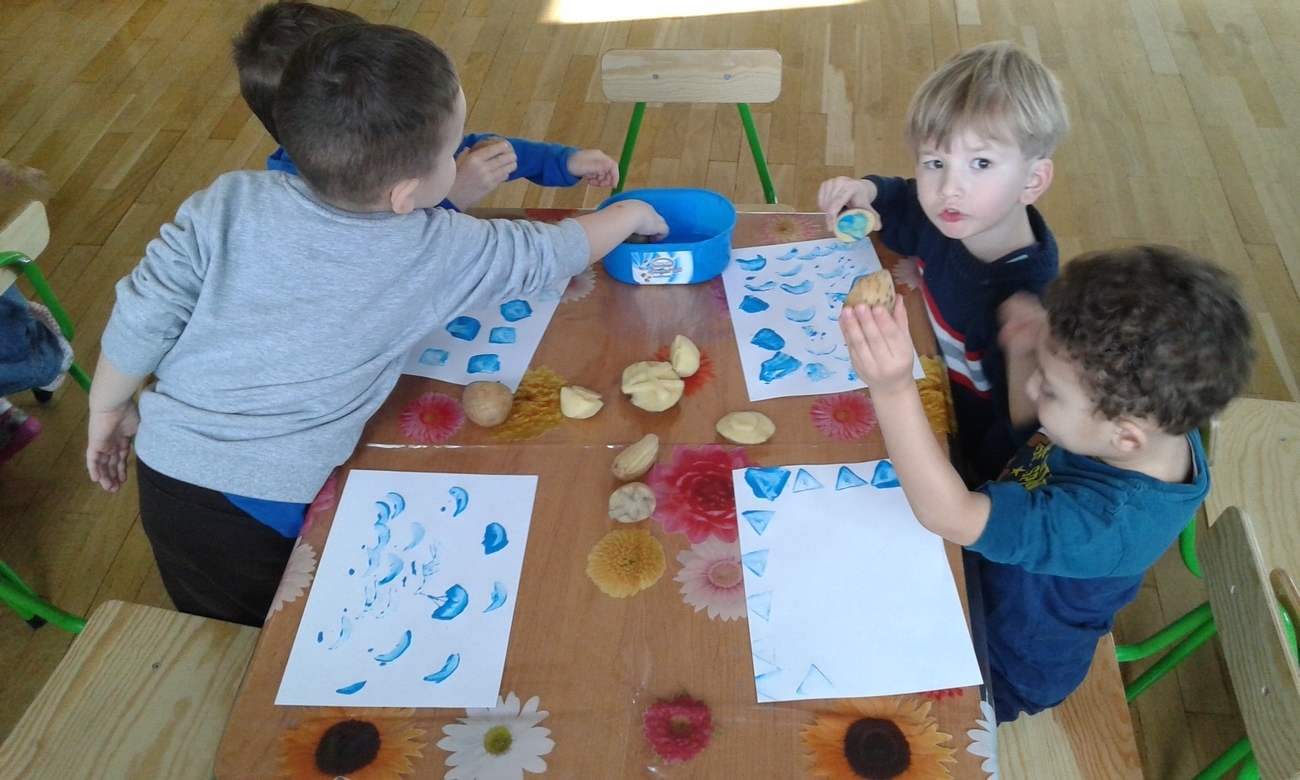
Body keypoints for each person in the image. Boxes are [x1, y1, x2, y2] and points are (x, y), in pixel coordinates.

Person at [85, 23, 666, 627]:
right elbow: (550, 251)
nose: (459, 158)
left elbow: (145, 310)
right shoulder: (435, 246)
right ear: (405, 194)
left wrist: (106, 408)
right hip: (260, 503)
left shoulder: (226, 199)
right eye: (452, 151)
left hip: (165, 465)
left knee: (213, 619)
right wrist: (629, 213)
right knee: (271, 642)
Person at [838, 244, 1255, 723]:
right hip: (972, 572)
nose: (1035, 387)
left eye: (1050, 387)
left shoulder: (1106, 525)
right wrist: (1023, 352)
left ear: (1125, 436)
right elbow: (1037, 435)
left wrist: (892, 388)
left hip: (995, 659)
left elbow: (949, 515)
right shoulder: (1145, 426)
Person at [818, 41, 1069, 483]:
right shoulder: (956, 217)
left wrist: (964, 474)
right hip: (920, 380)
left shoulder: (1027, 310)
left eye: (981, 163)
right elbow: (905, 203)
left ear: (1033, 181)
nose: (949, 187)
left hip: (958, 455)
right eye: (935, 161)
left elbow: (1023, 440)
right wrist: (867, 193)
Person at [231, 0, 619, 211]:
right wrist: (453, 198)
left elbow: (467, 149)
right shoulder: (296, 207)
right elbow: (395, 266)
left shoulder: (373, 133)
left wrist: (562, 161)